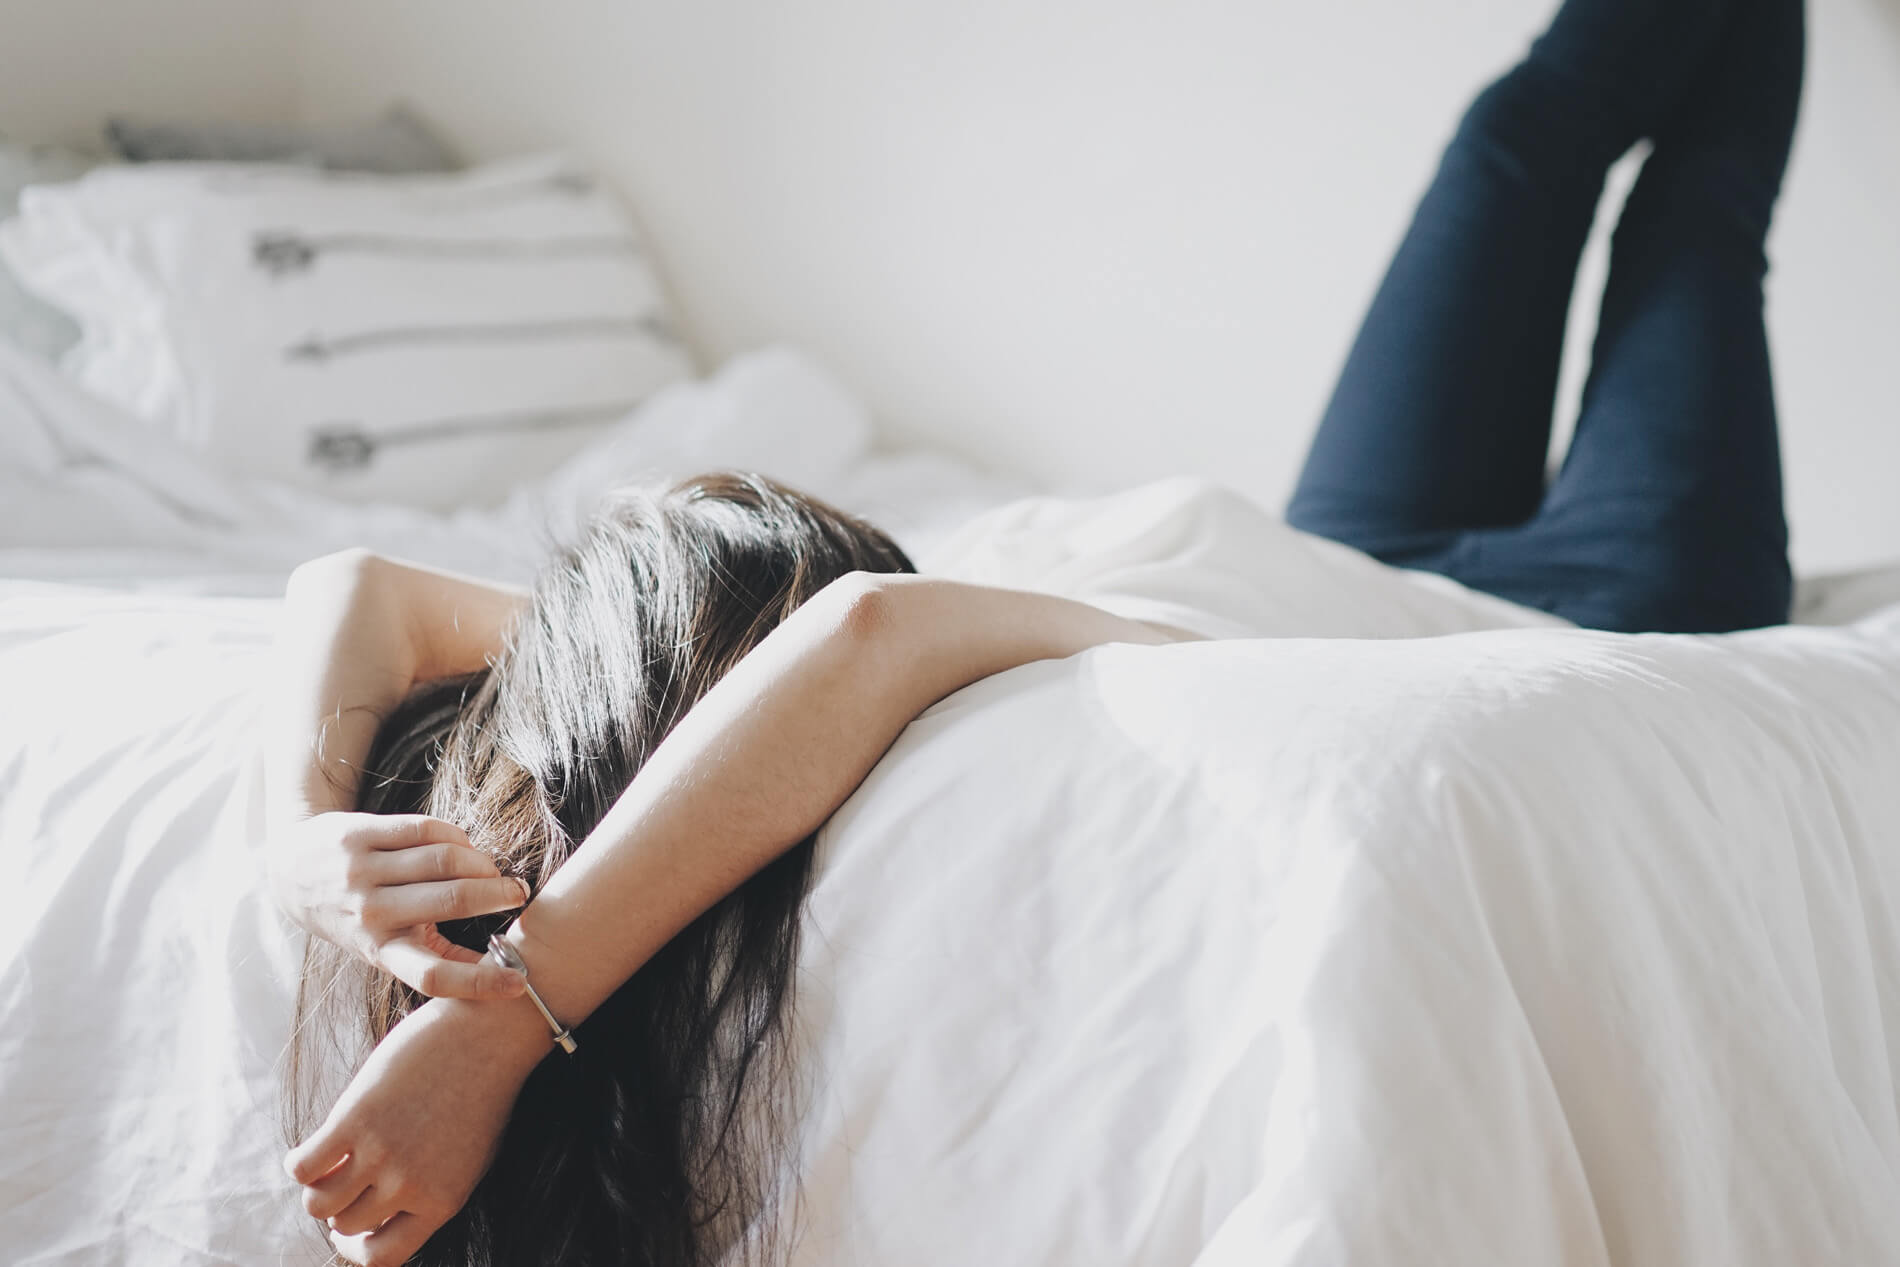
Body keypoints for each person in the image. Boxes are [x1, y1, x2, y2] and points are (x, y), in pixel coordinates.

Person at [274, 0, 1805, 1263]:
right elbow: (867, 630)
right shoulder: (924, 655)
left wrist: (293, 835)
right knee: (1698, 219)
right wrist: (500, 1025)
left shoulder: (713, 687)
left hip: (1341, 540)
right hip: (1592, 598)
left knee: (1514, 142)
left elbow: (357, 586)